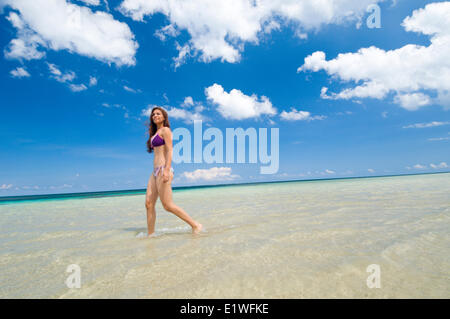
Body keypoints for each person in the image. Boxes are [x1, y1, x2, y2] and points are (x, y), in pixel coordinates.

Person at [145, 106, 203, 236]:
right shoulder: (154, 134)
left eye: (158, 114)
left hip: (163, 169)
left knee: (167, 205)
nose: (155, 116)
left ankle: (195, 225)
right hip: (154, 172)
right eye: (153, 114)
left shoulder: (165, 130)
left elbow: (170, 150)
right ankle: (150, 235)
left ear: (164, 117)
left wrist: (166, 170)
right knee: (149, 204)